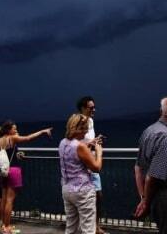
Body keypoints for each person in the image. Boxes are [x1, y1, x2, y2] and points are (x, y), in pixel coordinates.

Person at [134, 96, 167, 234]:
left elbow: (138, 168)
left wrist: (143, 198)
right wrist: (145, 203)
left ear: (161, 111)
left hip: (157, 197)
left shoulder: (149, 131)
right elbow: (154, 176)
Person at [0, 120, 53, 234]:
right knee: (10, 201)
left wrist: (17, 154)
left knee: (4, 199)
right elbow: (29, 138)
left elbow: (6, 153)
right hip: (13, 170)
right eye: (14, 128)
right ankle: (7, 227)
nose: (16, 130)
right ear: (9, 130)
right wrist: (43, 131)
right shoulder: (12, 138)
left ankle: (3, 226)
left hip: (3, 171)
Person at [59, 113, 103, 234]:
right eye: (85, 129)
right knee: (88, 229)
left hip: (67, 189)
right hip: (83, 191)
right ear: (78, 129)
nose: (86, 132)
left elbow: (75, 155)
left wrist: (88, 145)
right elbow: (96, 167)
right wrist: (99, 152)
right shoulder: (80, 146)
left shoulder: (62, 143)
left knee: (71, 228)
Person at [77, 95, 107, 234]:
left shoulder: (91, 122)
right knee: (85, 198)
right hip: (83, 165)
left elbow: (87, 141)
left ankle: (95, 227)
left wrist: (95, 141)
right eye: (91, 107)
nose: (94, 109)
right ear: (83, 108)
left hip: (92, 163)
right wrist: (92, 144)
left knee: (98, 196)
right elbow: (76, 144)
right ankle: (87, 228)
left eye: (94, 107)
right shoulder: (78, 123)